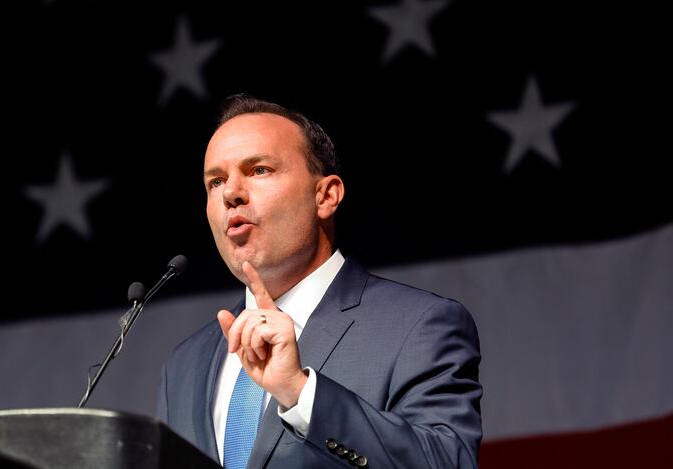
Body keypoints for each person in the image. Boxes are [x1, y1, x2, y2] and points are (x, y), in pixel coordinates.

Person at [157, 94, 482, 468]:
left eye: (259, 169)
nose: (231, 193)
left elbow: (447, 462)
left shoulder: (420, 325)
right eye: (216, 181)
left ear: (326, 196)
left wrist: (300, 393)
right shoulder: (184, 365)